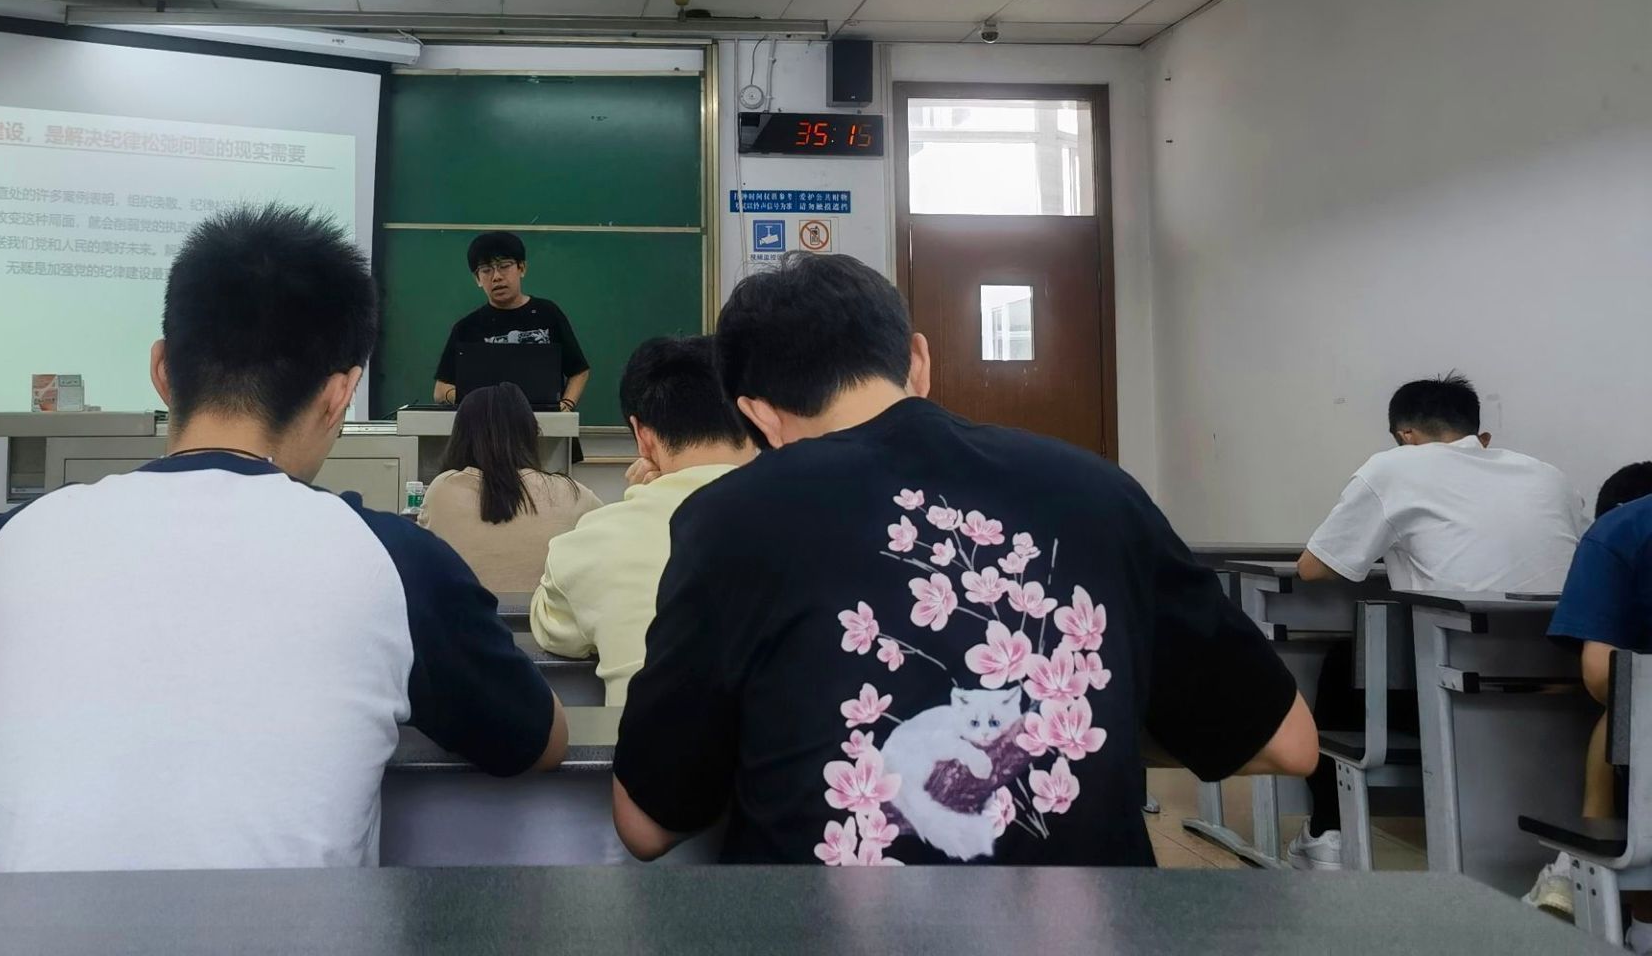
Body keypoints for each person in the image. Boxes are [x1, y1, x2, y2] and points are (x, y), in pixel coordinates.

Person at [611, 253, 1315, 867]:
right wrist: (1077, 724)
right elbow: (1288, 744)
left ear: (757, 414)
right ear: (918, 361)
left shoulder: (730, 517)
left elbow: (646, 826)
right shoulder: (1098, 491)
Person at [0, 205, 566, 873]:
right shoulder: (394, 561)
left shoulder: (0, 548)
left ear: (162, 370)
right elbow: (537, 743)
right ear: (340, 394)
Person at [1288, 373, 1587, 870]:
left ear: (1405, 434)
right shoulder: (1548, 475)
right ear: (1477, 433)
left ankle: (1327, 834)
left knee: (1347, 660)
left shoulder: (1394, 467)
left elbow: (1312, 568)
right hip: (1569, 685)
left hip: (1456, 685)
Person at [530, 336, 758, 704]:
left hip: (653, 741)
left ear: (642, 436)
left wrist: (637, 500)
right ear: (754, 414)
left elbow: (552, 628)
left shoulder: (593, 542)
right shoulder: (823, 523)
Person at [1533, 463, 1652, 921]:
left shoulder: (1623, 529)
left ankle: (1578, 863)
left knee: (1629, 699)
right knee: (1631, 697)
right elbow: (1607, 678)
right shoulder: (1625, 531)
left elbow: (1604, 678)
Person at [418, 381, 601, 592]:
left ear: (460, 437)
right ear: (531, 433)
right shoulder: (573, 495)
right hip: (542, 614)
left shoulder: (442, 491)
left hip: (465, 613)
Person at [432, 232, 590, 413]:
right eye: (486, 270)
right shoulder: (467, 328)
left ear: (522, 268)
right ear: (477, 279)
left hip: (544, 422)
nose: (496, 277)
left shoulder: (548, 314)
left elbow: (579, 371)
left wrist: (566, 405)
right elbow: (440, 390)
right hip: (487, 422)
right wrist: (475, 399)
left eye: (504, 266)